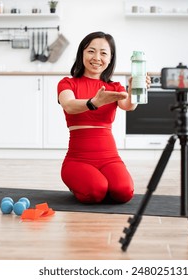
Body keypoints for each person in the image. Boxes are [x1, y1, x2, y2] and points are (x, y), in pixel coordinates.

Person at [57, 31, 150, 204]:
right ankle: (81, 182)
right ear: (82, 54)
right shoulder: (67, 83)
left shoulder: (114, 86)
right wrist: (94, 102)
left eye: (103, 53)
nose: (97, 57)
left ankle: (100, 183)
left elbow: (128, 105)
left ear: (110, 58)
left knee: (124, 192)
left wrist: (134, 89)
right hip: (78, 159)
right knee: (95, 192)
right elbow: (69, 105)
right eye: (91, 51)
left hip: (109, 157)